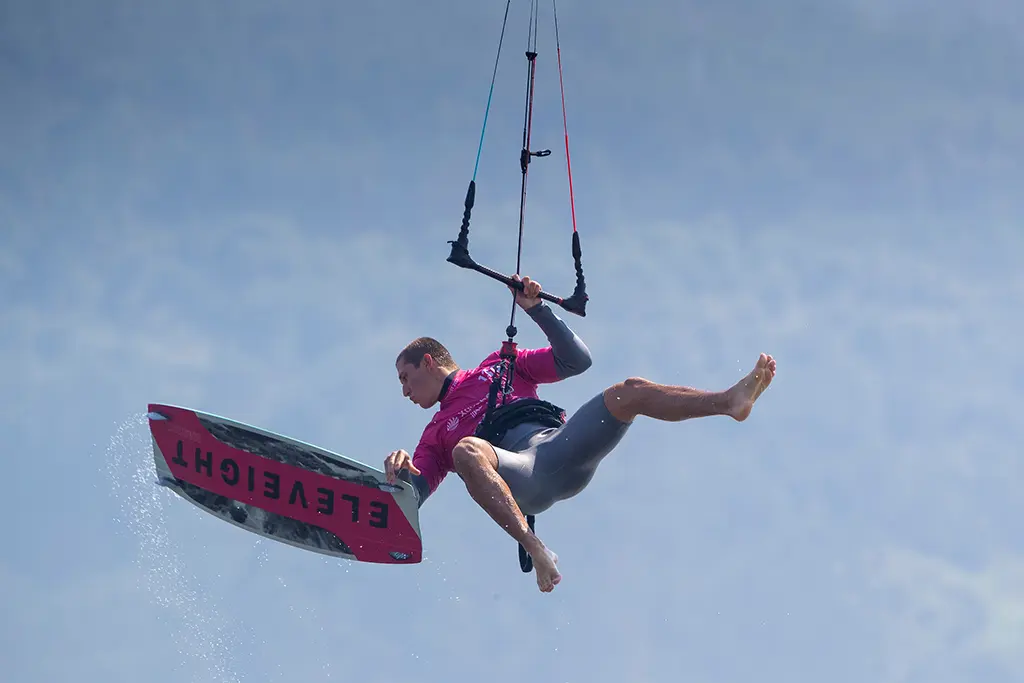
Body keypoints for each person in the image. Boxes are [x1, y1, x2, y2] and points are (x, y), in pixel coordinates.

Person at [384, 275, 776, 593]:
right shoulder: (435, 435)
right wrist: (401, 472)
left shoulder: (501, 365)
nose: (404, 391)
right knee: (468, 451)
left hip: (562, 448)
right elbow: (410, 495)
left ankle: (729, 401)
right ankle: (535, 548)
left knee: (629, 391)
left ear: (428, 361)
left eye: (405, 377)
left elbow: (577, 360)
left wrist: (538, 310)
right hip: (526, 477)